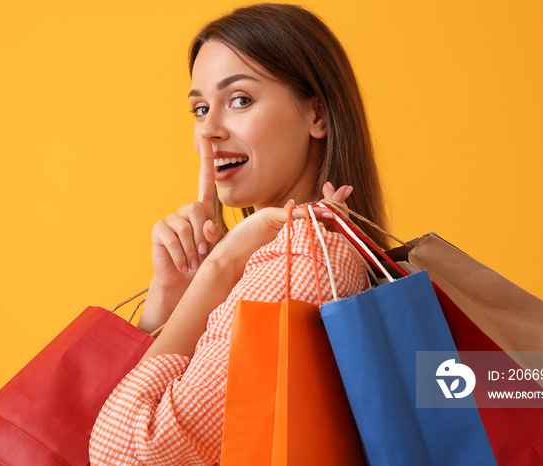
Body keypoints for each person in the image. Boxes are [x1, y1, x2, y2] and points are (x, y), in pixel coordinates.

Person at [89, 4, 388, 465]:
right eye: (200, 108)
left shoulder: (300, 261)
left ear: (318, 114)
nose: (208, 130)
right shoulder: (286, 258)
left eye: (240, 100)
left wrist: (219, 267)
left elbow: (128, 454)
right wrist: (170, 303)